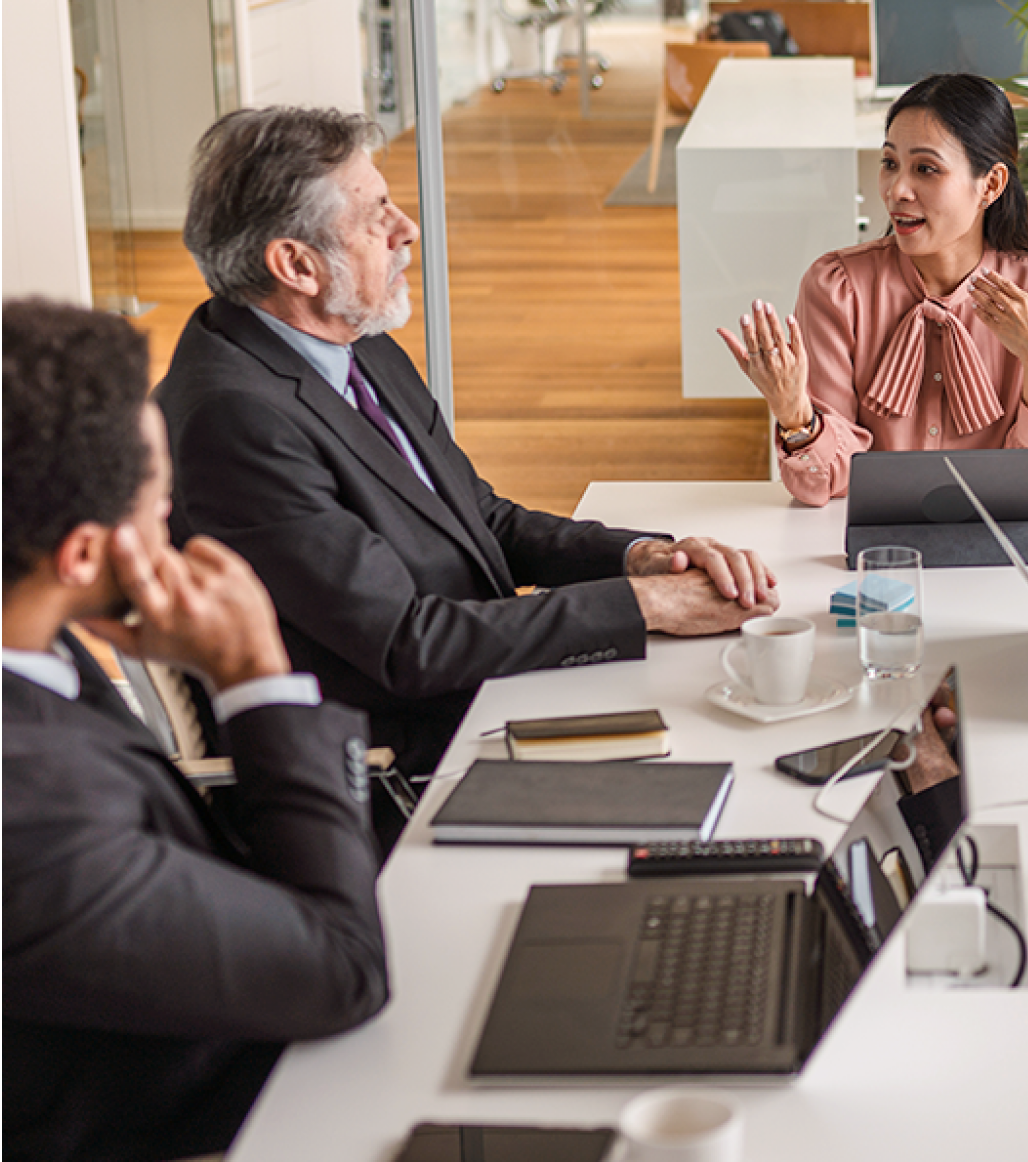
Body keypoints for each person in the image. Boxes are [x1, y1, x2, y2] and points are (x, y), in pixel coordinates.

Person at [158, 106, 779, 781]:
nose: (407, 230)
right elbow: (405, 643)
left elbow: (478, 517)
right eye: (376, 217)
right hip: (406, 759)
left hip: (485, 682)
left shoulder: (350, 339)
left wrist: (642, 558)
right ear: (296, 265)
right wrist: (644, 607)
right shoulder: (234, 422)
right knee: (734, 744)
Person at [2, 300, 388, 1162]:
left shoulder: (36, 636)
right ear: (82, 556)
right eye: (160, 504)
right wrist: (257, 677)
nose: (173, 528)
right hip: (225, 1117)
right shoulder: (31, 819)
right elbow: (343, 974)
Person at [718, 73, 1028, 506]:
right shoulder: (838, 289)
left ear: (990, 185)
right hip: (875, 554)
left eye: (926, 169)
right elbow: (825, 484)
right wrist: (794, 414)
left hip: (1001, 555)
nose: (896, 190)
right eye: (890, 163)